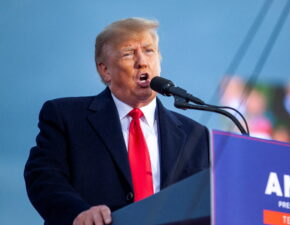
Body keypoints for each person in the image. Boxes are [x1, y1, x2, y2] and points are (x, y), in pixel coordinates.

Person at [24, 18, 210, 225]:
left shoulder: (195, 133)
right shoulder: (65, 116)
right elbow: (44, 177)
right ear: (105, 71)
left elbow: (206, 197)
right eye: (129, 53)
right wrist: (77, 213)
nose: (142, 61)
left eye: (149, 51)